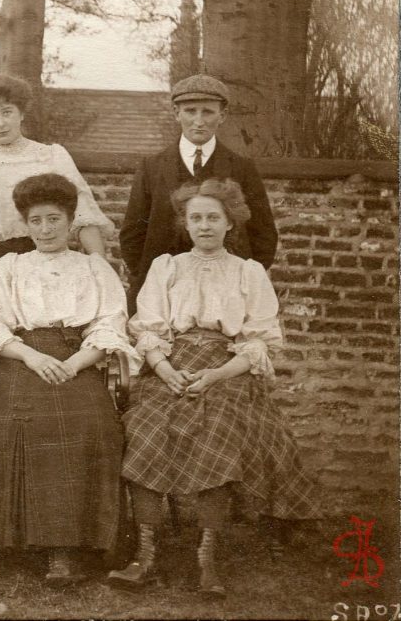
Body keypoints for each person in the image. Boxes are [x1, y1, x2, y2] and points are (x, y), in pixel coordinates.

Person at [0, 173, 136, 587]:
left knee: (87, 423)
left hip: (77, 359)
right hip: (19, 359)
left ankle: (63, 549)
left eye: (54, 219)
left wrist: (74, 364)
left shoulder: (94, 269)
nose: (44, 230)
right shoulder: (10, 266)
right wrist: (32, 355)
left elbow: (110, 326)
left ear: (71, 221)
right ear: (26, 223)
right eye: (35, 221)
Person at [108, 178, 318, 598]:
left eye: (213, 218)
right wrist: (164, 368)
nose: (204, 225)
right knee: (143, 431)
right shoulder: (166, 266)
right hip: (171, 364)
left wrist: (216, 375)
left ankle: (208, 556)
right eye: (195, 218)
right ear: (185, 224)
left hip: (230, 371)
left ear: (229, 223)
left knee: (217, 432)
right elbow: (147, 324)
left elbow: (257, 341)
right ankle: (145, 553)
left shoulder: (248, 271)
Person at [0, 74, 113, 283]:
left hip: (46, 256)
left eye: (7, 112)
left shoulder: (51, 157)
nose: (0, 123)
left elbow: (83, 214)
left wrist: (101, 266)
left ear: (21, 113)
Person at [119, 73, 278, 314]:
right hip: (162, 291)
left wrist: (242, 279)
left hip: (224, 293)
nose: (199, 121)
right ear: (176, 113)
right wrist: (147, 277)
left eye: (208, 112)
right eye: (190, 111)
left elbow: (263, 234)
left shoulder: (241, 167)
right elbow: (132, 233)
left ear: (222, 115)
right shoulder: (152, 167)